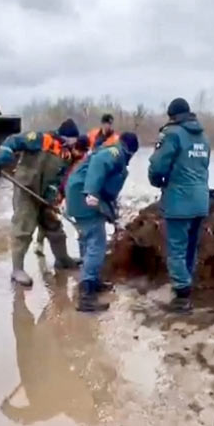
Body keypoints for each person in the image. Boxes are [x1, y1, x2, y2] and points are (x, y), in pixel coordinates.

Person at [0, 119, 81, 287]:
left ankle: (63, 260)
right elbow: (13, 141)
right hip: (26, 189)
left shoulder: (66, 154)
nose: (73, 143)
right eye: (72, 139)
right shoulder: (40, 139)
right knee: (23, 229)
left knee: (54, 228)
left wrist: (53, 197)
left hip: (44, 196)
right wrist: (4, 155)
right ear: (65, 136)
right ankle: (17, 270)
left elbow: (59, 178)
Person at [148, 98, 211, 314]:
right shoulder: (204, 137)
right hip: (201, 201)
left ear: (172, 116)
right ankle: (187, 281)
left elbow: (158, 165)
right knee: (191, 245)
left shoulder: (172, 134)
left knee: (176, 248)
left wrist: (157, 182)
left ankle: (182, 296)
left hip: (179, 201)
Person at [66, 132, 139, 312]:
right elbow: (99, 165)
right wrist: (91, 191)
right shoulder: (115, 153)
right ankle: (87, 295)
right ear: (131, 150)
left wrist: (114, 215)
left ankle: (91, 280)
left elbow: (109, 192)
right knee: (96, 243)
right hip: (85, 197)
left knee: (86, 239)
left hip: (78, 195)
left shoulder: (113, 152)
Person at [34, 134, 90, 258]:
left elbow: (71, 178)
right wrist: (55, 194)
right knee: (48, 216)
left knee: (50, 216)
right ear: (75, 147)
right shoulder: (64, 154)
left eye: (83, 152)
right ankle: (39, 243)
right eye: (78, 150)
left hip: (63, 190)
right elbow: (59, 176)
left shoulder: (83, 159)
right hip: (53, 188)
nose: (80, 154)